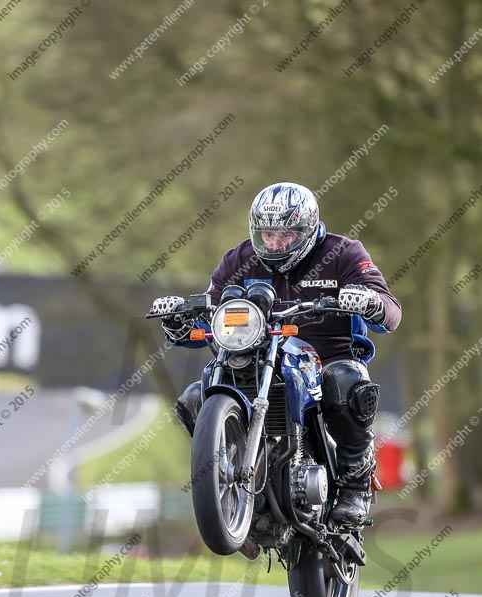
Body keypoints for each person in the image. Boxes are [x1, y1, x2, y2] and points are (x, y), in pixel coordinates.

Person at [150, 182, 401, 526]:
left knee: (345, 382)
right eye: (267, 234)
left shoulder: (343, 252)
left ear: (308, 228)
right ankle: (236, 486)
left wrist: (369, 301)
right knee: (196, 397)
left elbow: (390, 310)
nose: (275, 242)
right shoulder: (238, 259)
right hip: (256, 361)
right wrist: (178, 322)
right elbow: (212, 311)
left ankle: (354, 482)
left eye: (286, 234)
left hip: (327, 359)